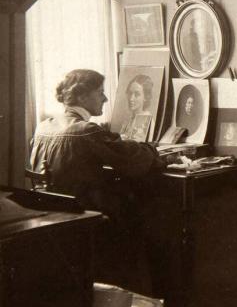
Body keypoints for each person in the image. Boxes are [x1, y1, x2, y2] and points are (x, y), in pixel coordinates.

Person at [29, 69, 170, 297]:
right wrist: (155, 151)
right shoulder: (85, 130)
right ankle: (143, 297)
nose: (105, 99)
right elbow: (132, 160)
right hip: (87, 221)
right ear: (82, 96)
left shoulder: (44, 127)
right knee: (154, 227)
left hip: (55, 220)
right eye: (100, 92)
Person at [120, 74, 153, 141]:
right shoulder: (129, 119)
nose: (131, 99)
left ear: (146, 97)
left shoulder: (146, 119)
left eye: (137, 94)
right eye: (130, 93)